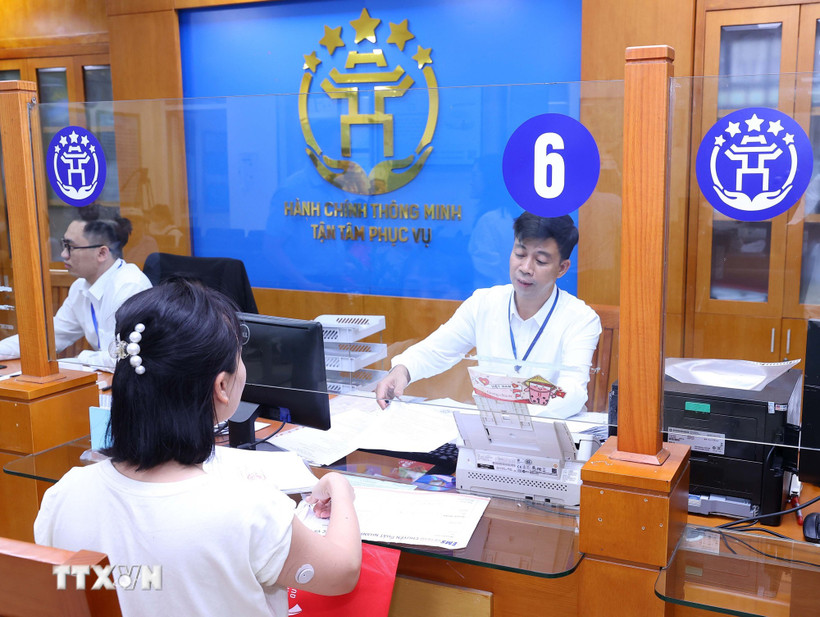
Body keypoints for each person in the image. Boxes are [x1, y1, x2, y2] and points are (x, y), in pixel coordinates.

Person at [34, 280, 361, 617]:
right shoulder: (248, 509)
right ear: (222, 385)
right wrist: (340, 488)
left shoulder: (64, 495)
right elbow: (343, 572)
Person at [375, 212, 602, 418]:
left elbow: (571, 393)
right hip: (487, 431)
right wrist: (402, 370)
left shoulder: (580, 319)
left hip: (549, 431)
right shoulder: (484, 303)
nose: (525, 267)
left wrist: (517, 416)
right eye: (520, 254)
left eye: (540, 261)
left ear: (562, 268)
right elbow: (437, 350)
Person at [0, 215, 152, 369]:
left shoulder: (130, 286)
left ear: (102, 253)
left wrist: (82, 357)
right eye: (63, 244)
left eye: (71, 247)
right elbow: (48, 338)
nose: (63, 254)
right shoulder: (80, 287)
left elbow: (124, 357)